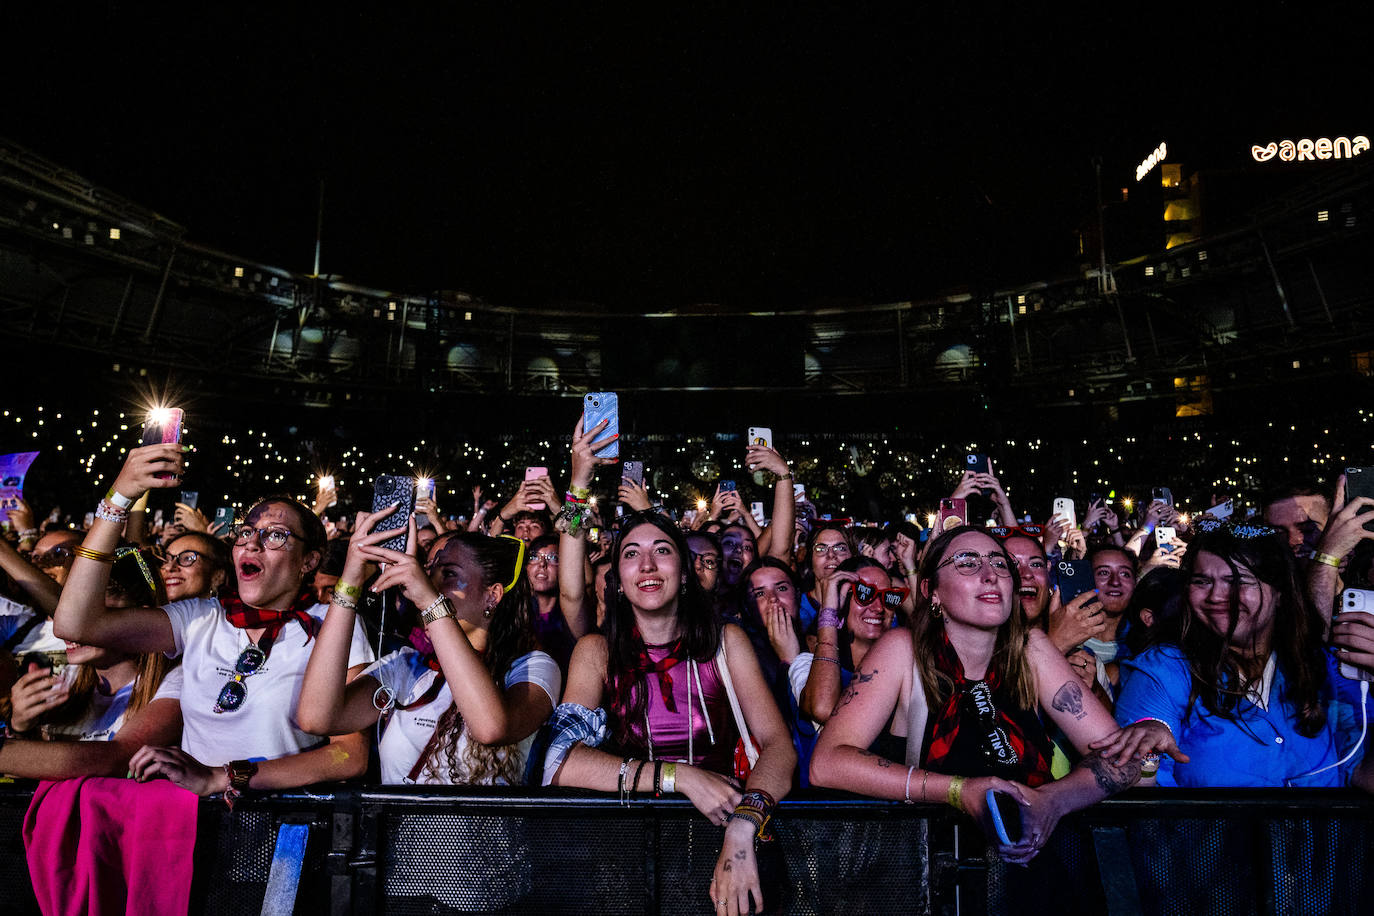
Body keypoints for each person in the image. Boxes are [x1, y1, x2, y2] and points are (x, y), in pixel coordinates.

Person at [547, 449, 795, 916]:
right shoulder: (596, 652)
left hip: (723, 847)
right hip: (626, 858)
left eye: (662, 551)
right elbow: (560, 762)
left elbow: (779, 746)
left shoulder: (726, 642)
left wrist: (744, 827)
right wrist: (678, 778)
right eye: (631, 554)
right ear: (617, 581)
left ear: (683, 576)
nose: (646, 565)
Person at [53, 442, 374, 798]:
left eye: (276, 536)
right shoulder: (201, 617)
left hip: (281, 824)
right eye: (246, 532)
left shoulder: (331, 623)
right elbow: (76, 625)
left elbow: (349, 755)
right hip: (192, 823)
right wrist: (118, 500)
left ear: (309, 561)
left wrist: (224, 777)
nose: (253, 544)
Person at [810, 526, 1138, 864]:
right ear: (931, 591)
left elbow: (1123, 761)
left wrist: (1052, 801)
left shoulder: (1032, 650)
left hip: (1034, 871)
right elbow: (828, 763)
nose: (990, 575)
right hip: (942, 877)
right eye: (967, 562)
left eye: (999, 563)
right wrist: (958, 792)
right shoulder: (902, 651)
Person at [1105, 523, 1374, 788]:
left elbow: (1361, 774)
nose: (1216, 596)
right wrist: (1147, 750)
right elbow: (1141, 791)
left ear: (1280, 592)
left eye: (1237, 581)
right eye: (1202, 581)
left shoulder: (1320, 666)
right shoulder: (1167, 667)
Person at [298, 514, 558, 784]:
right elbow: (317, 718)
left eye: (448, 573)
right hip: (401, 827)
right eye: (429, 570)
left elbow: (490, 728)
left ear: (491, 595)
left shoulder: (533, 668)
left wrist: (432, 603)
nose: (430, 582)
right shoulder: (407, 666)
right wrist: (350, 583)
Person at [1, 545, 184, 780]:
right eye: (67, 613)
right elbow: (35, 779)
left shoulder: (176, 680)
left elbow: (115, 759)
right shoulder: (67, 679)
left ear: (139, 617)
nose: (68, 627)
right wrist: (21, 727)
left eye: (88, 614)